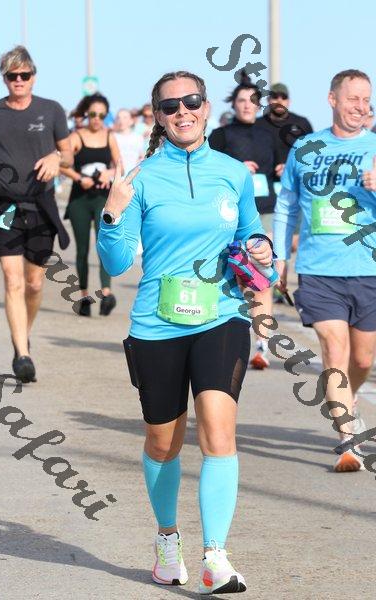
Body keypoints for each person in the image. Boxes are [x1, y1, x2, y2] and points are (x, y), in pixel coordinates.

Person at [97, 70, 273, 595]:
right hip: (157, 324)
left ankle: (215, 556)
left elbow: (250, 233)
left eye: (192, 101)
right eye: (171, 106)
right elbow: (116, 263)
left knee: (219, 431)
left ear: (205, 106)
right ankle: (167, 539)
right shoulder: (141, 179)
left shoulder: (232, 173)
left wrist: (261, 248)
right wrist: (112, 214)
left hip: (222, 316)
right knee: (163, 443)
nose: (183, 112)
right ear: (158, 115)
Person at [273, 69, 376, 473]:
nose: (361, 107)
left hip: (368, 268)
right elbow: (287, 205)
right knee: (334, 350)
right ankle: (348, 440)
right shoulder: (306, 148)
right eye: (353, 98)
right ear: (332, 99)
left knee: (363, 358)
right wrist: (280, 256)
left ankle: (347, 401)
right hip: (318, 269)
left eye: (366, 100)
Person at [0, 45, 72, 383]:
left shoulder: (51, 109)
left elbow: (69, 153)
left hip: (41, 205)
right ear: (4, 78)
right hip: (5, 206)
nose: (18, 80)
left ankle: (22, 334)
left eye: (24, 75)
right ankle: (22, 353)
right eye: (12, 75)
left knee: (33, 283)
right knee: (13, 280)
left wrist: (56, 158)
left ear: (33, 76)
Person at [208, 72, 279, 370]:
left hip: (264, 210)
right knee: (235, 277)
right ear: (233, 104)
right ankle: (225, 336)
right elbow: (208, 172)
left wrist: (281, 168)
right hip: (229, 216)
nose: (247, 105)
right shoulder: (220, 135)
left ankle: (262, 344)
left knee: (263, 276)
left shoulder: (270, 134)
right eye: (241, 100)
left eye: (252, 100)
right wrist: (237, 169)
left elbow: (281, 169)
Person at [60, 93, 121, 316]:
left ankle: (106, 293)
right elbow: (61, 163)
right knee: (82, 249)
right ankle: (84, 296)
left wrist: (109, 172)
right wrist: (79, 178)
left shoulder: (109, 136)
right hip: (80, 200)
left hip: (102, 199)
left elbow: (120, 165)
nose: (97, 119)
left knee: (104, 245)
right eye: (93, 114)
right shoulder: (76, 136)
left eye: (102, 115)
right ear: (87, 113)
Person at [256, 82, 313, 180]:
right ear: (268, 100)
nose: (279, 100)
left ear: (289, 101)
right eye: (275, 97)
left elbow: (312, 154)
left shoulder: (302, 123)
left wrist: (290, 168)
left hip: (296, 181)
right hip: (264, 182)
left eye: (284, 97)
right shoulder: (257, 125)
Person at [113, 109, 145, 174]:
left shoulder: (138, 137)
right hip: (116, 175)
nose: (121, 120)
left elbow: (142, 156)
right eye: (118, 118)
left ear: (131, 121)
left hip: (134, 175)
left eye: (125, 117)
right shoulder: (112, 137)